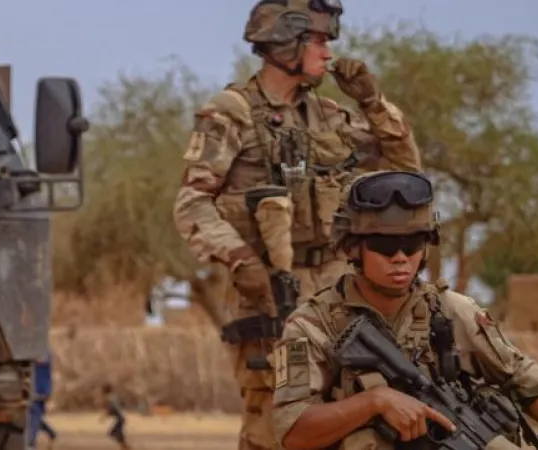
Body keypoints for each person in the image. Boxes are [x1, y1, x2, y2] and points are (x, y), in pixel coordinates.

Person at [171, 1, 424, 449]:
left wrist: (372, 101)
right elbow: (192, 202)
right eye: (320, 41)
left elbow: (408, 172)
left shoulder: (329, 115)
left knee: (345, 413)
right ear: (287, 43)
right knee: (272, 422)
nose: (329, 53)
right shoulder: (230, 112)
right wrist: (241, 261)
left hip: (335, 290)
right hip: (268, 291)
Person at [269, 171, 538, 450]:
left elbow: (521, 376)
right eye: (385, 245)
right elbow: (293, 431)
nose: (401, 257)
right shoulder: (309, 325)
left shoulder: (450, 310)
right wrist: (374, 402)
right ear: (352, 247)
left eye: (413, 243)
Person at [100, 385, 129, 450]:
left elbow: (111, 408)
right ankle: (124, 446)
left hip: (120, 418)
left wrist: (105, 416)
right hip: (121, 417)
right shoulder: (113, 397)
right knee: (117, 433)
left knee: (113, 433)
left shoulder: (110, 398)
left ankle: (125, 446)